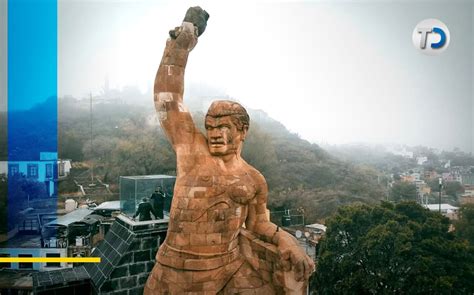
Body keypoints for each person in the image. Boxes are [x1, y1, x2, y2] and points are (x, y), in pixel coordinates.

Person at [145, 7, 314, 294]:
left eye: (222, 127)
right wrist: (181, 46)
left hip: (229, 268)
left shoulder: (254, 179)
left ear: (242, 131)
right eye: (209, 126)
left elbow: (259, 223)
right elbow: (168, 99)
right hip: (173, 272)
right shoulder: (192, 153)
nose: (213, 133)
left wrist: (287, 239)